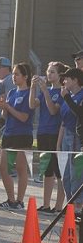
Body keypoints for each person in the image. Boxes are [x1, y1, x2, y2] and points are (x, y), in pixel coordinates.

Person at [0, 63, 33, 210]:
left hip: (23, 134)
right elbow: (5, 115)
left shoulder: (29, 93)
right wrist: (3, 107)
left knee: (21, 168)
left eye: (17, 74)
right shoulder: (11, 93)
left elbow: (24, 117)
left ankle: (20, 200)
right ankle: (10, 199)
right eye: (13, 74)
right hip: (8, 133)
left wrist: (9, 107)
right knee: (2, 167)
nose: (14, 77)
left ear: (25, 76)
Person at [29, 62, 66, 213]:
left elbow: (52, 111)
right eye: (48, 72)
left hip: (55, 132)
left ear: (59, 75)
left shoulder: (62, 91)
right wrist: (33, 87)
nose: (49, 75)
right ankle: (46, 204)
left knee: (59, 171)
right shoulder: (45, 90)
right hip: (43, 132)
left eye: (52, 72)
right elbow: (32, 105)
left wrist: (45, 91)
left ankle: (58, 205)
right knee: (46, 169)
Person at [59, 67, 83, 212]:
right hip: (66, 135)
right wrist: (59, 141)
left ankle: (78, 207)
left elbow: (79, 113)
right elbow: (63, 118)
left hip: (76, 137)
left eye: (67, 78)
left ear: (75, 80)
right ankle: (70, 206)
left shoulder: (80, 94)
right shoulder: (67, 95)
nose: (64, 81)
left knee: (75, 174)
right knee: (65, 176)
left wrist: (66, 97)